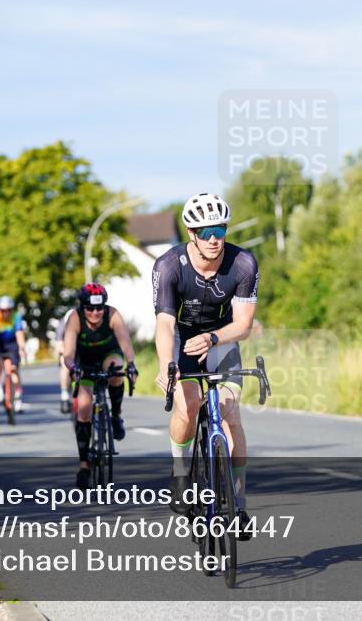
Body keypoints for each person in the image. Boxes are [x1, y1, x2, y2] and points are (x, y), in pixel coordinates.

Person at [152, 193, 259, 532]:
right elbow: (165, 324)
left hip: (222, 338)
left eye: (221, 229)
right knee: (189, 404)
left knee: (231, 415)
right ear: (191, 233)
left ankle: (239, 503)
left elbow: (243, 326)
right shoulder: (169, 266)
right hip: (183, 339)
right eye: (206, 230)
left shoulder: (243, 263)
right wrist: (165, 365)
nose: (215, 238)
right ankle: (181, 472)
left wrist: (214, 338)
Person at [62, 283, 138, 489]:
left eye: (99, 308)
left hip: (108, 354)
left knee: (116, 369)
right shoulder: (75, 319)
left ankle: (115, 415)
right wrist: (73, 367)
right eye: (90, 308)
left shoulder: (113, 315)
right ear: (82, 307)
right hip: (84, 362)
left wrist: (131, 365)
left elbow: (126, 344)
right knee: (84, 409)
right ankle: (85, 466)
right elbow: (68, 354)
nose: (95, 313)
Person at [0, 295, 28, 412]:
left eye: (9, 310)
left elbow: (19, 334)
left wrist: (22, 348)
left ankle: (18, 396)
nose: (6, 313)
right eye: (3, 310)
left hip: (12, 346)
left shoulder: (16, 317)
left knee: (14, 369)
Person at [55, 307, 76, 413]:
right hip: (67, 347)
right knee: (65, 363)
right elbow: (59, 344)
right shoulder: (62, 324)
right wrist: (65, 353)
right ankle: (64, 394)